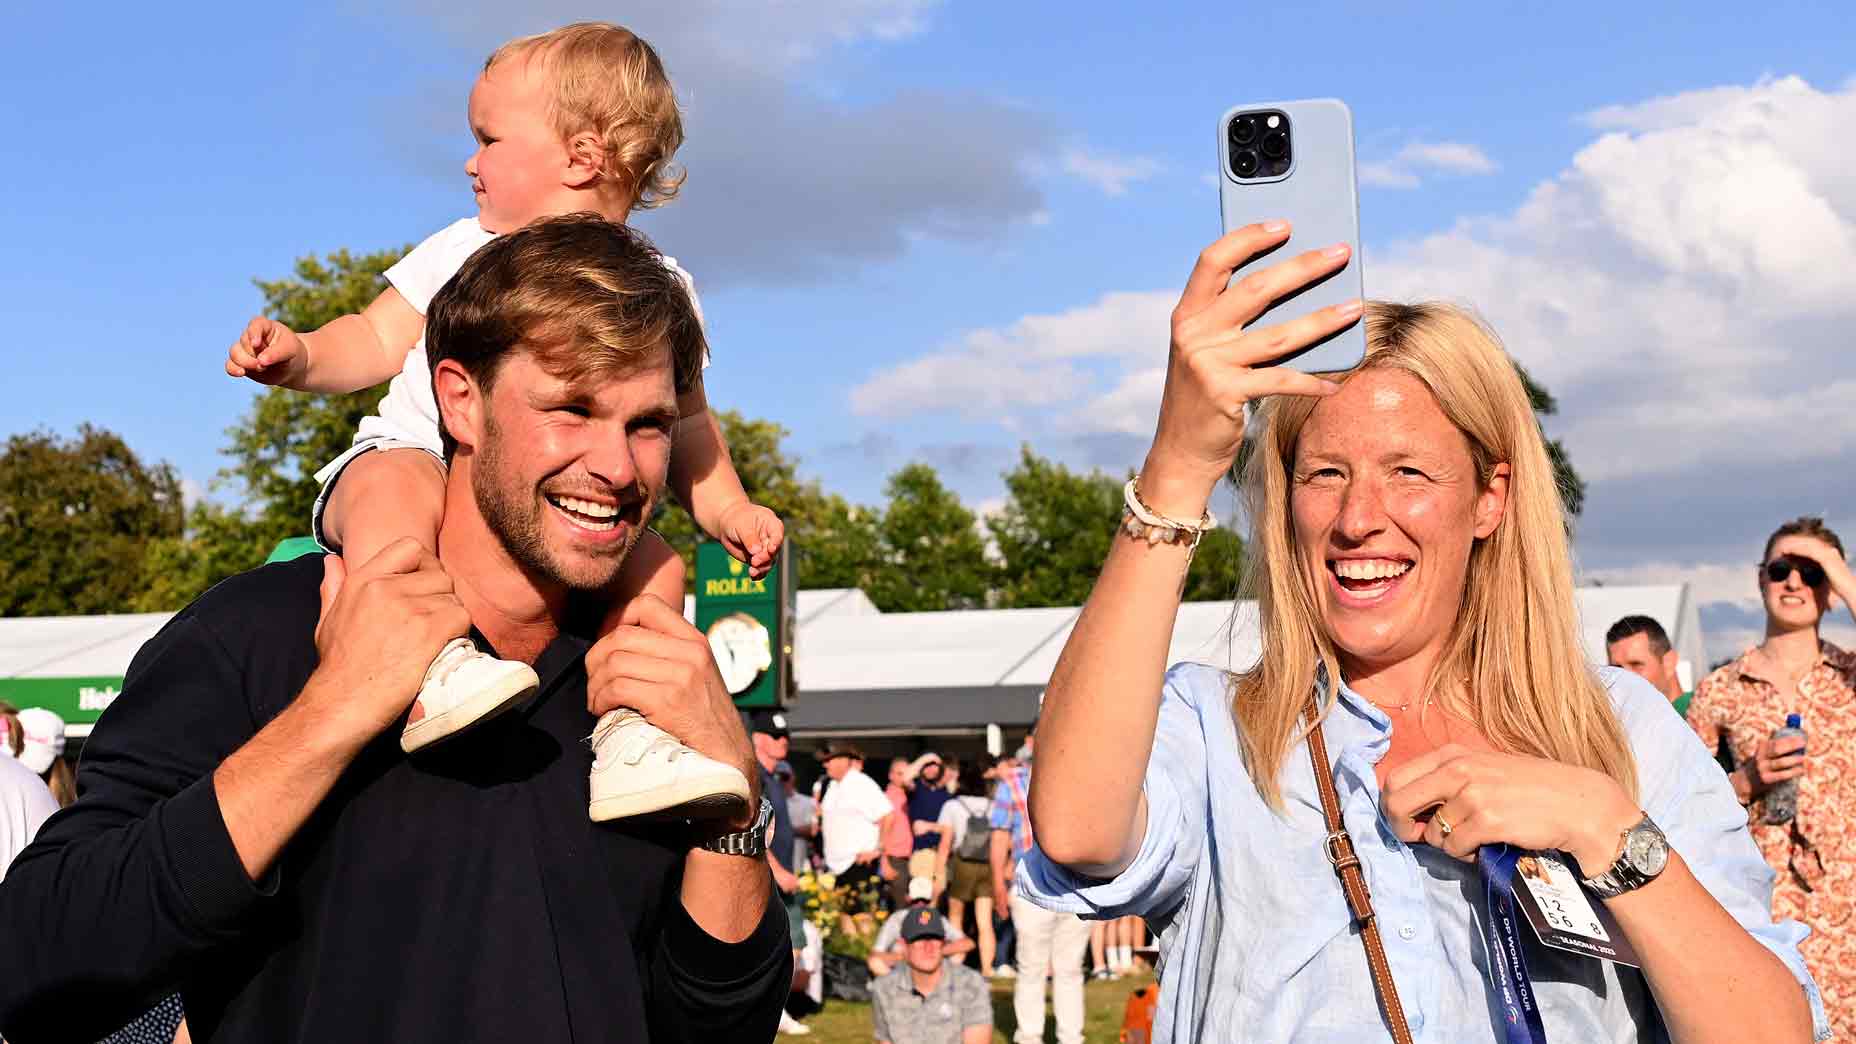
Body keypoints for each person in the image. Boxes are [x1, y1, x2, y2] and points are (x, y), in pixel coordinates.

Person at [1016, 225, 1824, 1041]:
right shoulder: (1219, 732)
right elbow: (1080, 830)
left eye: (1408, 472)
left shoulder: (1624, 730)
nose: (1359, 520)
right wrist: (1180, 465)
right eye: (1325, 473)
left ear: (1489, 499)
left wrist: (1603, 826)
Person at [0, 216, 791, 1041]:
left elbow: (720, 1029)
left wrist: (731, 815)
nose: (618, 468)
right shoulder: (259, 630)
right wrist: (331, 712)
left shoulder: (648, 689)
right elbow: (40, 965)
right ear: (460, 402)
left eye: (649, 425)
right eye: (572, 408)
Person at [222, 21, 782, 822]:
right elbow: (378, 335)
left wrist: (727, 507)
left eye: (487, 138)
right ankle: (426, 658)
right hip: (412, 454)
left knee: (657, 567)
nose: (469, 161)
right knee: (396, 488)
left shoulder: (658, 286)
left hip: (540, 503)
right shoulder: (464, 248)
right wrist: (303, 357)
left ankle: (630, 731)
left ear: (582, 158)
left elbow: (685, 424)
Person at [1687, 515, 1856, 1036]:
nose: (1794, 583)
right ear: (1761, 579)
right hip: (1759, 907)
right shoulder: (1720, 687)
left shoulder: (1850, 675)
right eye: (1782, 568)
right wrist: (1746, 781)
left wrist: (1837, 569)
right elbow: (1681, 805)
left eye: (1812, 572)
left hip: (1847, 909)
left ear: (1831, 590)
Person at [991, 731, 1089, 1044]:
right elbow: (999, 838)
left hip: (1074, 886)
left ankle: (1070, 1037)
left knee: (1069, 968)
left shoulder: (1080, 779)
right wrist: (997, 884)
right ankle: (1030, 1036)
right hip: (1032, 885)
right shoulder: (1013, 783)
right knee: (1032, 965)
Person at [749, 710, 814, 1038]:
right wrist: (777, 871)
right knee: (779, 948)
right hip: (765, 876)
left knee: (793, 948)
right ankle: (769, 1011)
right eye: (775, 736)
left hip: (784, 876)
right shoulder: (754, 774)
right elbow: (751, 827)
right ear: (758, 738)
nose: (783, 741)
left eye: (786, 736)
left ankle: (775, 1009)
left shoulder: (776, 778)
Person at [870, 906, 993, 1044]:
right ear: (904, 945)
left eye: (934, 938)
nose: (928, 947)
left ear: (943, 943)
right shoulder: (885, 989)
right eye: (919, 939)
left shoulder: (971, 985)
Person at [934, 754, 998, 976]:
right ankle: (988, 968)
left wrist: (938, 873)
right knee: (984, 921)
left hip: (962, 864)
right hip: (987, 865)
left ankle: (956, 964)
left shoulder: (952, 806)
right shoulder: (993, 806)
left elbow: (945, 843)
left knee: (955, 917)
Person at [817, 741, 892, 918]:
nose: (825, 764)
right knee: (843, 919)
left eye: (829, 760)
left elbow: (887, 815)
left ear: (844, 760)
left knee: (862, 918)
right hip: (836, 866)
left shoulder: (861, 783)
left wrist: (877, 850)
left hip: (857, 863)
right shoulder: (832, 785)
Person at [868, 877, 973, 977]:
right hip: (903, 967)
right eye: (916, 900)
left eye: (924, 900)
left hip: (933, 965)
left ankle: (944, 988)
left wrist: (936, 952)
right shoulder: (897, 919)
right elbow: (876, 953)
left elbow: (968, 943)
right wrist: (904, 956)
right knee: (874, 962)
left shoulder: (936, 918)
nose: (920, 904)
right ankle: (898, 989)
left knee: (959, 953)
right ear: (907, 898)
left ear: (931, 899)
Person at [1606, 615, 1692, 717]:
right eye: (1617, 668)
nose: (1625, 677)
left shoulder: (1706, 714)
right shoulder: (1620, 725)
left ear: (1669, 663)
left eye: (1636, 664)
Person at [907, 753, 952, 880]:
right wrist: (928, 757)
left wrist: (929, 827)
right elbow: (905, 778)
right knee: (922, 895)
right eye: (927, 766)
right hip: (923, 853)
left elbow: (951, 827)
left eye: (934, 766)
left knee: (940, 896)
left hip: (944, 854)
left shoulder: (947, 795)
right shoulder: (917, 789)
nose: (931, 769)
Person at [882, 756, 917, 908]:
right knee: (900, 908)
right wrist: (884, 863)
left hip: (911, 858)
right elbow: (881, 832)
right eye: (899, 773)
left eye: (906, 773)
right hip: (895, 859)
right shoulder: (886, 799)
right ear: (891, 775)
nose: (904, 777)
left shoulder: (909, 796)